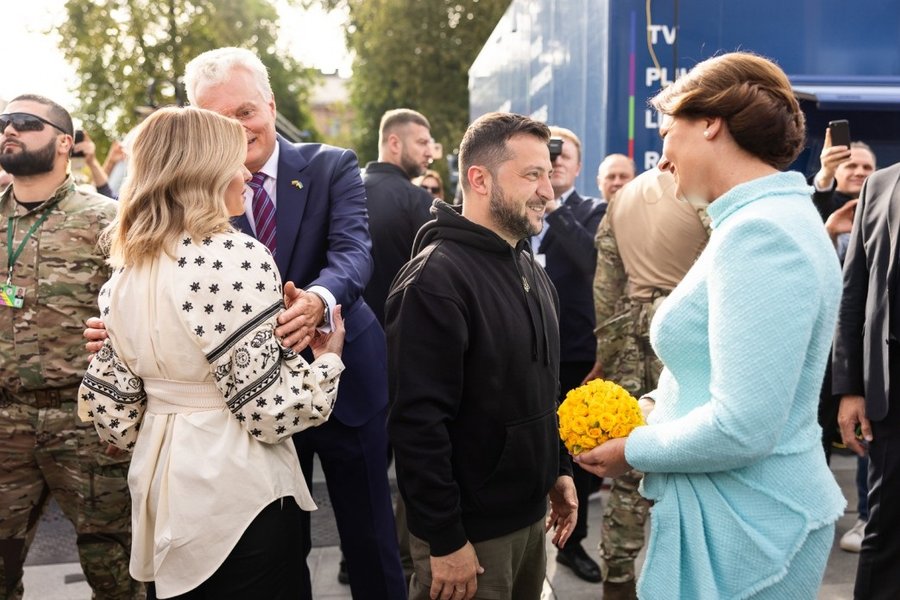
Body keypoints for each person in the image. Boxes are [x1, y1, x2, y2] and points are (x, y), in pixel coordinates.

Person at [84, 47, 406, 599]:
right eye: (218, 120)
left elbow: (353, 252)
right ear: (197, 134)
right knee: (280, 537)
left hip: (338, 382)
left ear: (271, 105)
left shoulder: (330, 165)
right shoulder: (203, 251)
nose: (238, 131)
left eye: (246, 112)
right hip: (253, 415)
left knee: (370, 533)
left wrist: (319, 301)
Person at [575, 52, 845, 599]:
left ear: (710, 124)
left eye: (669, 130)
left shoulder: (762, 234)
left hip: (750, 529)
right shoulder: (753, 220)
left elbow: (744, 425)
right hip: (737, 517)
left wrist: (634, 448)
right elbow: (715, 372)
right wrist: (645, 408)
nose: (664, 155)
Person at [386, 112, 578, 600]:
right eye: (532, 175)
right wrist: (446, 540)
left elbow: (540, 387)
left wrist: (557, 469)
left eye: (548, 175)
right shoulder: (436, 281)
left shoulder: (529, 269)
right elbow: (417, 424)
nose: (548, 192)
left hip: (530, 520)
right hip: (470, 540)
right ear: (479, 179)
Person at [0, 95, 140, 599]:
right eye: (4, 123)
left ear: (64, 141)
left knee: (117, 567)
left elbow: (142, 315)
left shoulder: (108, 219)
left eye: (25, 123)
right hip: (5, 421)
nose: (10, 131)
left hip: (88, 421)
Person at [582, 168, 709, 599]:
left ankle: (617, 575)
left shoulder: (623, 198)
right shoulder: (701, 188)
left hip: (631, 335)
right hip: (688, 329)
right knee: (690, 452)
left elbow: (605, 282)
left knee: (628, 459)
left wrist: (607, 348)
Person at [530, 125, 606, 584]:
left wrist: (554, 210)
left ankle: (571, 542)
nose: (556, 161)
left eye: (564, 156)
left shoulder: (593, 211)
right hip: (525, 348)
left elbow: (593, 262)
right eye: (548, 154)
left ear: (579, 167)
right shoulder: (518, 207)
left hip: (575, 351)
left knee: (576, 451)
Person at [833, 154, 900, 597]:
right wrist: (850, 388)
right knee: (886, 532)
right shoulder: (879, 185)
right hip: (891, 396)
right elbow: (853, 291)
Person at [362, 108, 434, 326]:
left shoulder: (344, 191)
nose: (430, 152)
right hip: (401, 335)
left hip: (344, 336)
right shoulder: (418, 200)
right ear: (394, 143)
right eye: (422, 143)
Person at [810, 128, 875, 220]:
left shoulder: (884, 204)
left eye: (867, 167)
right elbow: (820, 200)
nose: (860, 173)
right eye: (851, 166)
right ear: (834, 170)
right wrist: (826, 174)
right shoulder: (826, 204)